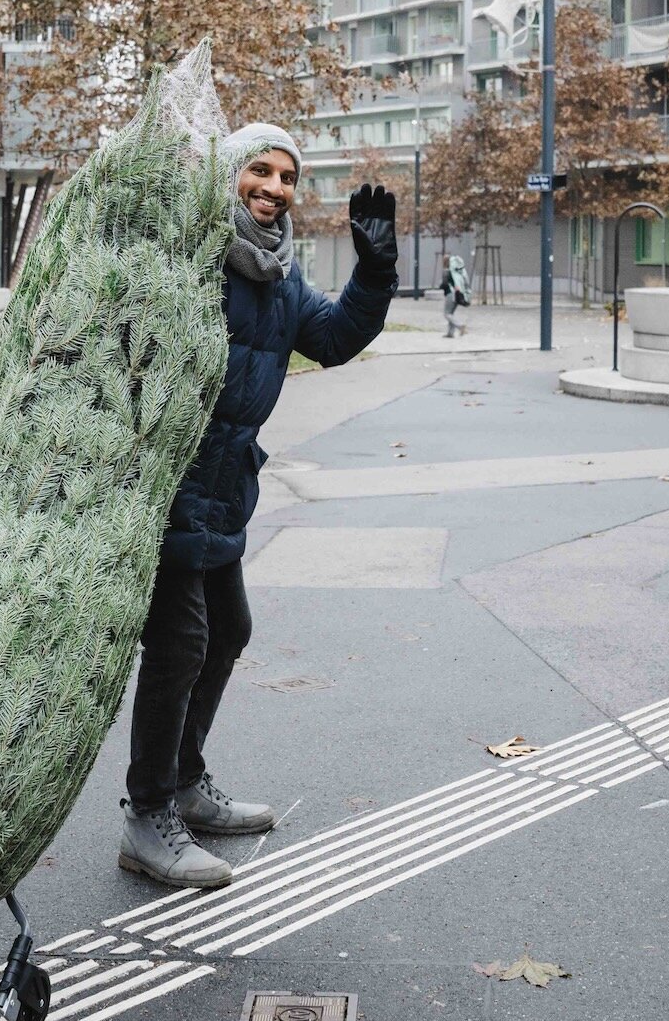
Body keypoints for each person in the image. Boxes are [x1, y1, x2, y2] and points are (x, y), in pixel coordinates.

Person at [119, 124, 397, 889]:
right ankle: (147, 816)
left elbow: (334, 339)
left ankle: (182, 782)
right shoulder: (191, 258)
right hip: (170, 485)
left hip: (226, 489)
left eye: (287, 176)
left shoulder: (280, 279)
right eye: (258, 170)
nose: (273, 187)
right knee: (180, 645)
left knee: (229, 630)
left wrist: (376, 272)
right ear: (227, 175)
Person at [440, 254, 471, 338]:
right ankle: (450, 333)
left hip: (450, 294)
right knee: (451, 313)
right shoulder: (455, 272)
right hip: (457, 294)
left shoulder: (446, 271)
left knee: (447, 314)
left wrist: (440, 286)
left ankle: (460, 326)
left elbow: (445, 284)